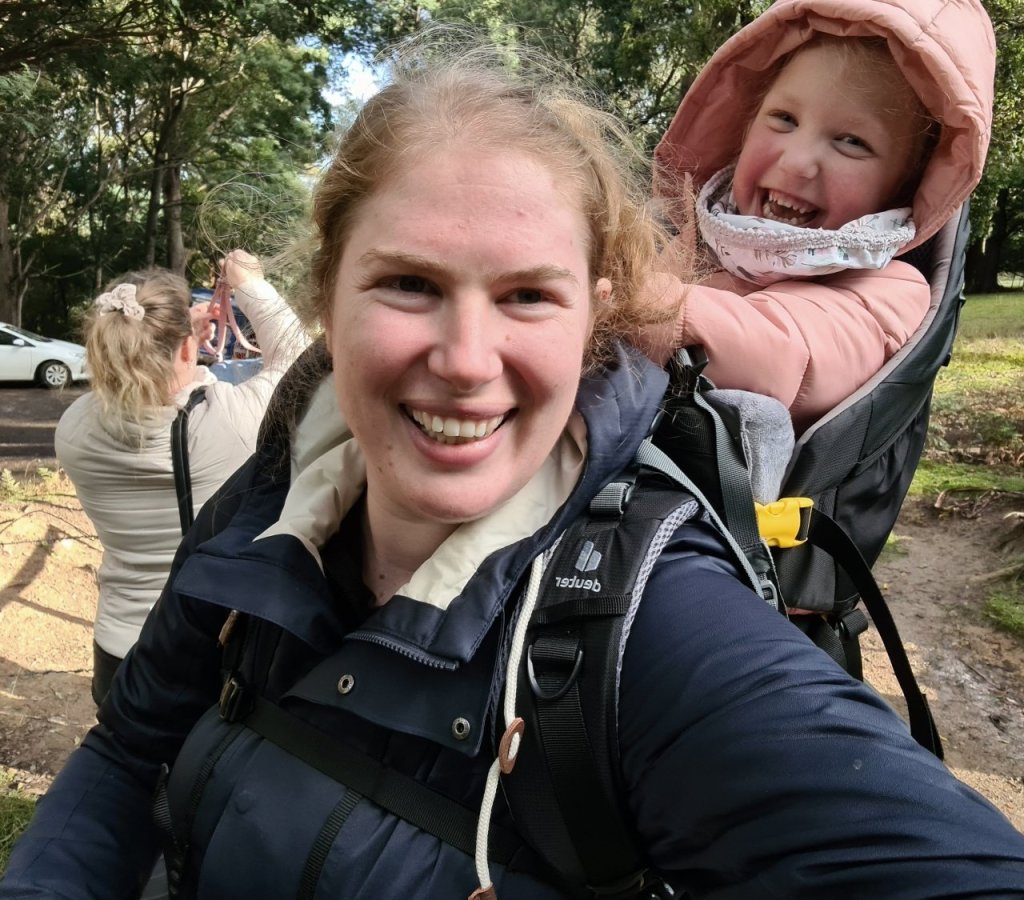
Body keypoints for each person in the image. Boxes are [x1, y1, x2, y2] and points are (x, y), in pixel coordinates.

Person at [5, 36, 1024, 900]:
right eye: (408, 282)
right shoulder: (274, 491)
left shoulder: (644, 623)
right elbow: (129, 749)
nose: (463, 358)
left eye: (529, 296)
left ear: (599, 315)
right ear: (329, 293)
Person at [641, 0, 995, 433]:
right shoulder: (691, 243)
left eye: (851, 141)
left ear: (904, 186)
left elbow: (786, 354)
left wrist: (628, 304)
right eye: (784, 119)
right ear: (746, 126)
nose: (797, 162)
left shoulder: (888, 293)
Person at [54, 250, 308, 706]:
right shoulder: (225, 423)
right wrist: (249, 284)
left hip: (115, 647)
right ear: (189, 348)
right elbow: (299, 356)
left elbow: (127, 390)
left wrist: (168, 334)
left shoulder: (72, 430)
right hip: (192, 651)